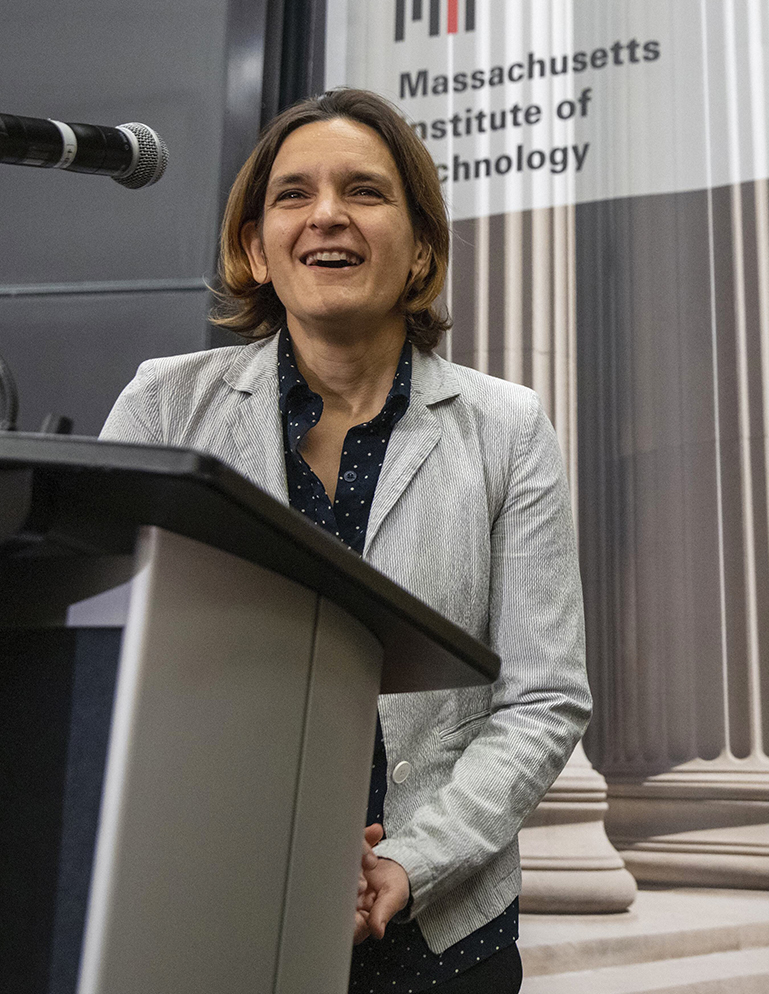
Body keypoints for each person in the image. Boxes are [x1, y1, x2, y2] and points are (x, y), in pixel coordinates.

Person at [101, 88, 590, 994]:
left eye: (364, 191)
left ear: (422, 248)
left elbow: (544, 699)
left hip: (441, 939)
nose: (327, 214)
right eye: (292, 194)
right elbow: (113, 665)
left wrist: (406, 861)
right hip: (203, 902)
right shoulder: (165, 407)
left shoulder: (506, 428)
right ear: (255, 245)